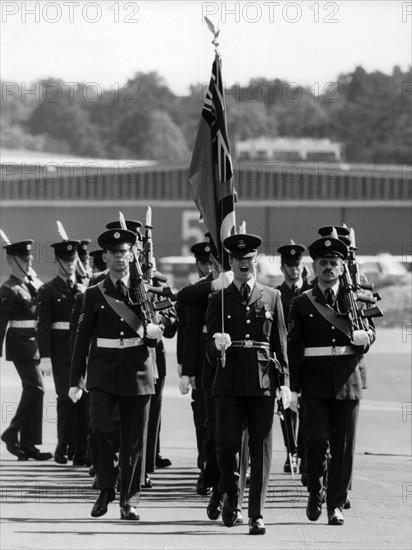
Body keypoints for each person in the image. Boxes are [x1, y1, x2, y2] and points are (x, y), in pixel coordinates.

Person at [69, 228, 163, 520]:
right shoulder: (94, 293)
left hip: (138, 370)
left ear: (131, 255)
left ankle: (129, 500)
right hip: (104, 371)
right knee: (100, 429)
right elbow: (81, 339)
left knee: (135, 439)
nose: (120, 258)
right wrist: (76, 380)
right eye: (114, 253)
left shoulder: (146, 289)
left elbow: (170, 319)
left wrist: (158, 327)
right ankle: (106, 487)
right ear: (105, 257)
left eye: (125, 252)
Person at [288, 232, 376, 526]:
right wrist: (295, 390)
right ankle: (316, 490)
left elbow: (370, 329)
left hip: (348, 380)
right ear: (314, 268)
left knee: (344, 445)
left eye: (334, 263)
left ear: (342, 267)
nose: (328, 267)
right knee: (314, 442)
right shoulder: (302, 303)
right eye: (323, 262)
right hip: (314, 383)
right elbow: (295, 347)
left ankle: (335, 504)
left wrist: (367, 337)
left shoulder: (357, 297)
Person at [206, 233, 290, 535]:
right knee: (227, 445)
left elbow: (280, 343)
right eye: (238, 260)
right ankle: (228, 491)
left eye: (248, 259)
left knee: (261, 449)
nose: (244, 263)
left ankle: (256, 513)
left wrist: (285, 384)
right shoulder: (218, 298)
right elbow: (208, 351)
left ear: (255, 260)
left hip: (262, 381)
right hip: (228, 381)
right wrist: (217, 345)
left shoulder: (272, 297)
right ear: (231, 262)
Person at [37, 239, 88, 465]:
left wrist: (85, 292)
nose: (70, 265)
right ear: (57, 261)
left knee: (84, 400)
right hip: (59, 352)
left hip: (82, 349)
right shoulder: (47, 290)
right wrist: (45, 357)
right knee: (66, 399)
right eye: (66, 261)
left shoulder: (86, 287)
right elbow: (44, 326)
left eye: (73, 260)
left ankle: (81, 449)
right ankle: (63, 445)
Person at [0, 239, 52, 461]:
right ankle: (12, 433)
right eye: (24, 259)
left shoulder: (28, 284)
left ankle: (29, 444)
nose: (29, 261)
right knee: (35, 389)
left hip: (34, 343)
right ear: (12, 262)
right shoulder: (7, 289)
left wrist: (34, 283)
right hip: (20, 344)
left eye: (29, 258)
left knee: (37, 390)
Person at [178, 241, 214, 494]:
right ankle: (206, 468)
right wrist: (186, 369)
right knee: (203, 418)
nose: (208, 267)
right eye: (204, 263)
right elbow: (188, 332)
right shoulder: (195, 291)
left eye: (212, 262)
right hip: (202, 361)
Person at [276, 240, 310, 476]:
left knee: (309, 406)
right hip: (287, 357)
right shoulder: (277, 294)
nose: (294, 269)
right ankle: (292, 450)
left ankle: (305, 452)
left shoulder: (311, 291)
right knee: (287, 406)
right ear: (282, 267)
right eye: (289, 265)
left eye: (297, 264)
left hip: (308, 356)